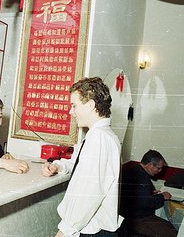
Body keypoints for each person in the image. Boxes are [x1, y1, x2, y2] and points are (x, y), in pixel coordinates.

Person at [41, 77, 123, 237]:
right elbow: (78, 163)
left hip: (92, 229)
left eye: (74, 105)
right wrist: (58, 166)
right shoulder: (101, 134)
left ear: (91, 105)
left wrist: (65, 230)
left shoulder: (98, 137)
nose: (71, 111)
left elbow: (90, 192)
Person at [119, 149, 177, 237]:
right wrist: (162, 196)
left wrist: (149, 192)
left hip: (129, 216)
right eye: (158, 168)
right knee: (172, 232)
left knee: (169, 226)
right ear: (150, 164)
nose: (160, 171)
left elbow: (136, 194)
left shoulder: (134, 169)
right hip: (137, 219)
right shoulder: (141, 175)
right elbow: (145, 202)